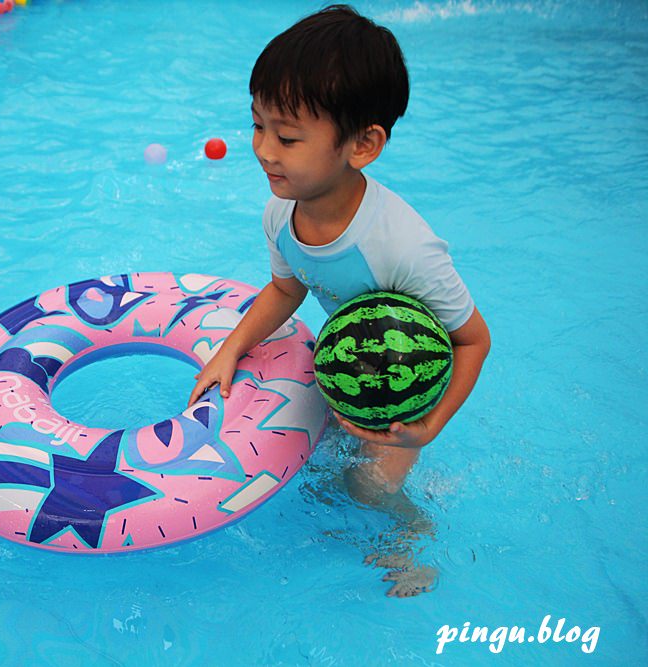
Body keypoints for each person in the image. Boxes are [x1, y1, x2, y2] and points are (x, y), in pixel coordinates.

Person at [186, 5, 491, 596]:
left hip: (403, 393)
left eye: (288, 137)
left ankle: (410, 543)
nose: (264, 150)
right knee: (319, 473)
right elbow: (285, 289)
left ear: (363, 144)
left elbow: (473, 339)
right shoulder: (282, 213)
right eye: (257, 126)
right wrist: (231, 350)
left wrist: (425, 427)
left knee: (367, 487)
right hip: (352, 367)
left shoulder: (402, 245)